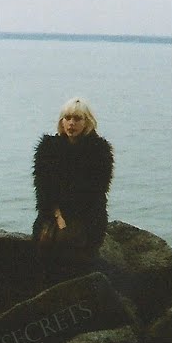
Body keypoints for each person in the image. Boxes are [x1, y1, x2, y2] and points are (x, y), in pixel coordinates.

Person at [31, 97, 115, 265]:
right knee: (44, 252)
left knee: (75, 254)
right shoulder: (48, 149)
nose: (71, 123)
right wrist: (58, 215)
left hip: (86, 219)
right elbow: (43, 188)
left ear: (87, 122)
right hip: (52, 215)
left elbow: (95, 191)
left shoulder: (98, 152)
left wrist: (67, 218)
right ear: (61, 121)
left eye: (77, 119)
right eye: (67, 118)